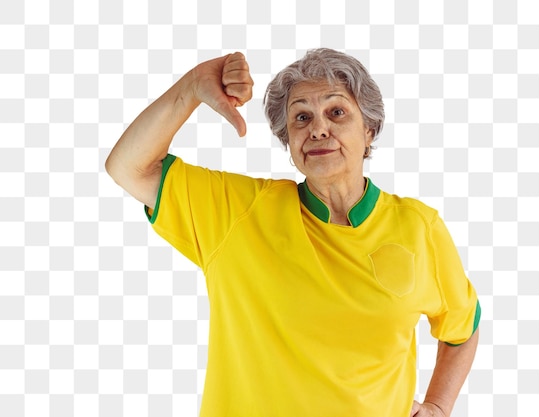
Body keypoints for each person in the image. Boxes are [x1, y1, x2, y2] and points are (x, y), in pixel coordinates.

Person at [106, 48, 480, 417]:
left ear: (369, 130)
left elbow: (462, 327)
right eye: (301, 118)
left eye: (336, 112)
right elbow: (129, 167)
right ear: (289, 143)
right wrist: (192, 87)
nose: (318, 128)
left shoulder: (418, 227)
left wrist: (437, 406)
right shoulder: (239, 213)